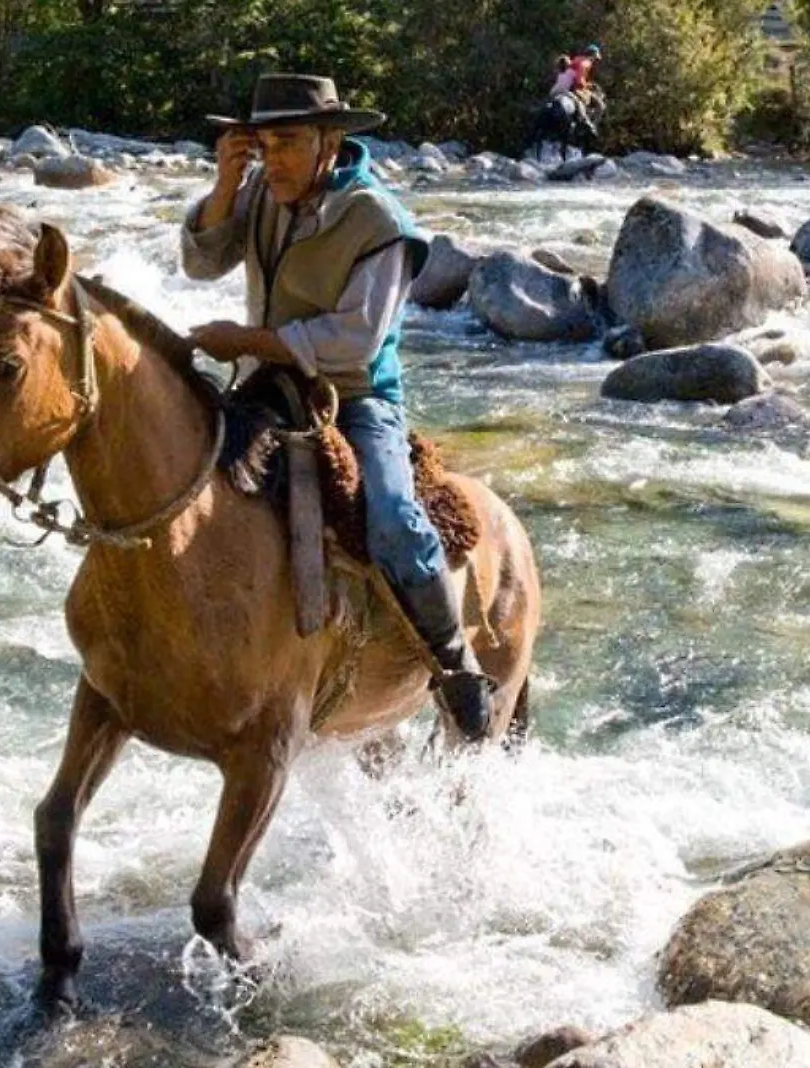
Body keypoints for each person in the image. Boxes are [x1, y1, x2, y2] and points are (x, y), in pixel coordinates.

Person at [178, 73, 496, 742]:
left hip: (355, 394)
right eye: (262, 143)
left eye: (289, 142)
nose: (275, 157)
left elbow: (355, 338)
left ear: (330, 142)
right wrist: (227, 187)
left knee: (388, 513)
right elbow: (202, 265)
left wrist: (247, 340)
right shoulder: (263, 189)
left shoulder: (377, 220)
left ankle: (455, 664)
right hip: (265, 381)